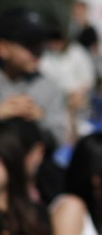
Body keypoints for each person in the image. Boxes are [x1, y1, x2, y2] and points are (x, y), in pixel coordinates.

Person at [0, 8, 69, 145]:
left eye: (41, 43)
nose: (38, 50)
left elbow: (59, 139)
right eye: (29, 43)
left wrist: (40, 120)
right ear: (3, 48)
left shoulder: (49, 87)